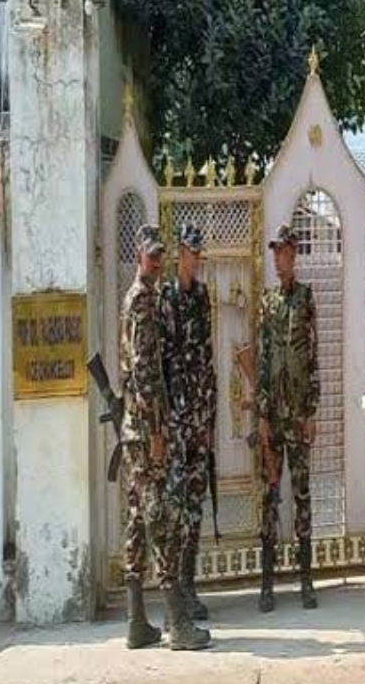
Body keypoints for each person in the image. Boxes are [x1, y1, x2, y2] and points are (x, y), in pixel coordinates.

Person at [119, 223, 211, 651]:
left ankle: (137, 621)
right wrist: (157, 429)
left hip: (136, 428)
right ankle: (178, 623)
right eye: (151, 255)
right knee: (161, 519)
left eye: (160, 255)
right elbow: (144, 372)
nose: (156, 261)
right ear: (139, 255)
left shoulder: (143, 297)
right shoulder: (142, 301)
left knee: (139, 518)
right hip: (146, 429)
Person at [256, 223, 320, 612]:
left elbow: (312, 357)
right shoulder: (267, 303)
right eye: (275, 253)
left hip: (297, 414)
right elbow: (262, 360)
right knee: (269, 496)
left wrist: (311, 412)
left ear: (293, 255)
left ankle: (306, 581)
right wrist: (262, 416)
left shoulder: (306, 298)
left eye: (282, 253)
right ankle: (266, 585)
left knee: (302, 494)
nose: (277, 259)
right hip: (274, 418)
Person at [160, 224, 216, 621]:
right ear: (179, 253)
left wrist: (209, 417)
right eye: (190, 253)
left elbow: (207, 356)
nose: (194, 260)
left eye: (198, 254)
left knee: (195, 503)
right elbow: (162, 361)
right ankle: (173, 596)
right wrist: (164, 423)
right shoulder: (165, 297)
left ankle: (189, 587)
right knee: (176, 506)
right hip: (176, 419)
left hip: (198, 415)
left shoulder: (201, 296)